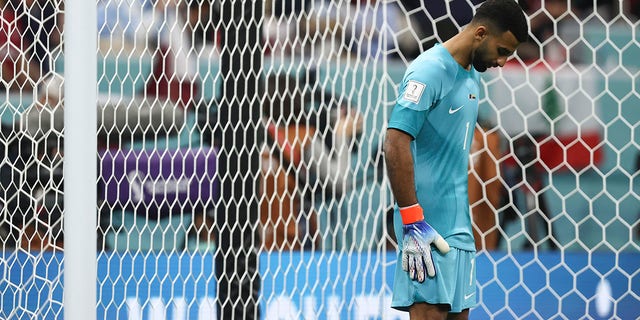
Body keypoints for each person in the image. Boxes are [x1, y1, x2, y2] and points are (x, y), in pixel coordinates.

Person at [383, 0, 528, 318]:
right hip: (426, 228)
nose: (502, 62)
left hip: (461, 231)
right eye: (502, 51)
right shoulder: (429, 69)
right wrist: (412, 221)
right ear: (480, 33)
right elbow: (394, 143)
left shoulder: (472, 76)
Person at [259, 73, 362, 250]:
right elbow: (339, 183)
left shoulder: (251, 134)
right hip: (293, 244)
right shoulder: (302, 137)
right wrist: (340, 135)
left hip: (254, 244)